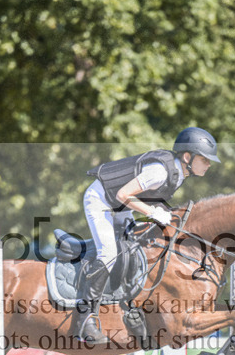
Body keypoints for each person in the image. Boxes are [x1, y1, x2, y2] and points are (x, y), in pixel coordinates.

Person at [76, 127, 220, 343]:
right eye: (205, 159)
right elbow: (122, 194)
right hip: (101, 201)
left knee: (139, 250)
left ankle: (131, 310)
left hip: (120, 206)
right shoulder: (160, 172)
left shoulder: (179, 173)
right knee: (108, 253)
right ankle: (86, 319)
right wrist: (152, 213)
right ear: (188, 157)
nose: (208, 164)